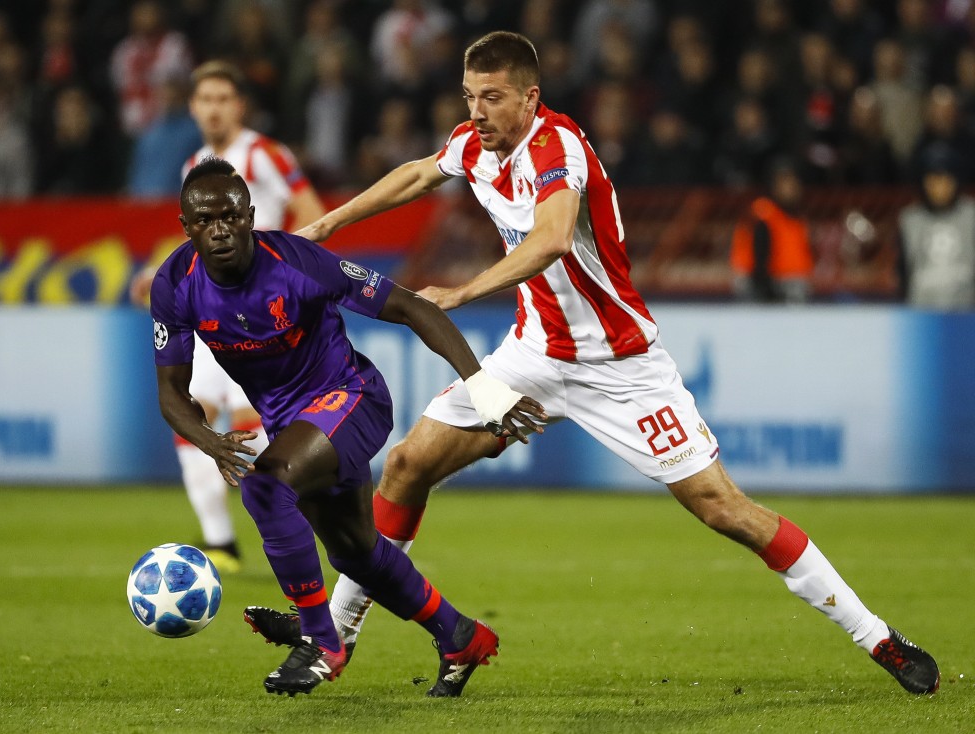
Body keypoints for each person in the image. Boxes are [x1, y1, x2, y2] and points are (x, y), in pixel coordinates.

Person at [246, 31, 940, 696]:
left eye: (490, 97)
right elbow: (420, 173)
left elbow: (549, 239)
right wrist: (328, 225)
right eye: (467, 96)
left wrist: (458, 292)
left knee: (724, 509)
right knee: (405, 466)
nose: (475, 112)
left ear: (529, 96)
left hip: (623, 366)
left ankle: (876, 635)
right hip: (533, 354)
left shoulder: (560, 149)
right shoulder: (474, 144)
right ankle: (333, 638)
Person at [151, 157, 547, 697]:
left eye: (230, 216)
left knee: (266, 487)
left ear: (249, 215)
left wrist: (481, 384)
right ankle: (459, 636)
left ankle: (320, 641)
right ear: (186, 226)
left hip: (352, 400)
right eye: (205, 220)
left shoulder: (296, 262)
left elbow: (408, 307)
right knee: (355, 552)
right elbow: (172, 392)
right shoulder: (175, 284)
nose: (219, 229)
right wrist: (211, 443)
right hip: (293, 424)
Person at [131, 60, 327, 574]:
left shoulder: (263, 154)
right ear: (193, 106)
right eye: (205, 99)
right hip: (212, 310)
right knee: (192, 413)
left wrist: (285, 274)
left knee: (254, 422)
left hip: (264, 315)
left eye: (223, 98)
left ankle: (309, 511)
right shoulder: (195, 162)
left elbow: (312, 214)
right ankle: (221, 542)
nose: (214, 108)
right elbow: (195, 239)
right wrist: (160, 272)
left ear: (239, 105)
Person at [898, 142, 975, 310]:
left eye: (946, 180)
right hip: (922, 315)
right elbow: (903, 275)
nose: (940, 188)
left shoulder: (971, 216)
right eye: (933, 181)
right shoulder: (910, 220)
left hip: (966, 316)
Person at [729, 157, 814, 303]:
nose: (791, 187)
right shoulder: (764, 213)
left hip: (791, 284)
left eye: (793, 181)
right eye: (785, 182)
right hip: (767, 285)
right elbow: (759, 253)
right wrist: (765, 288)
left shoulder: (793, 214)